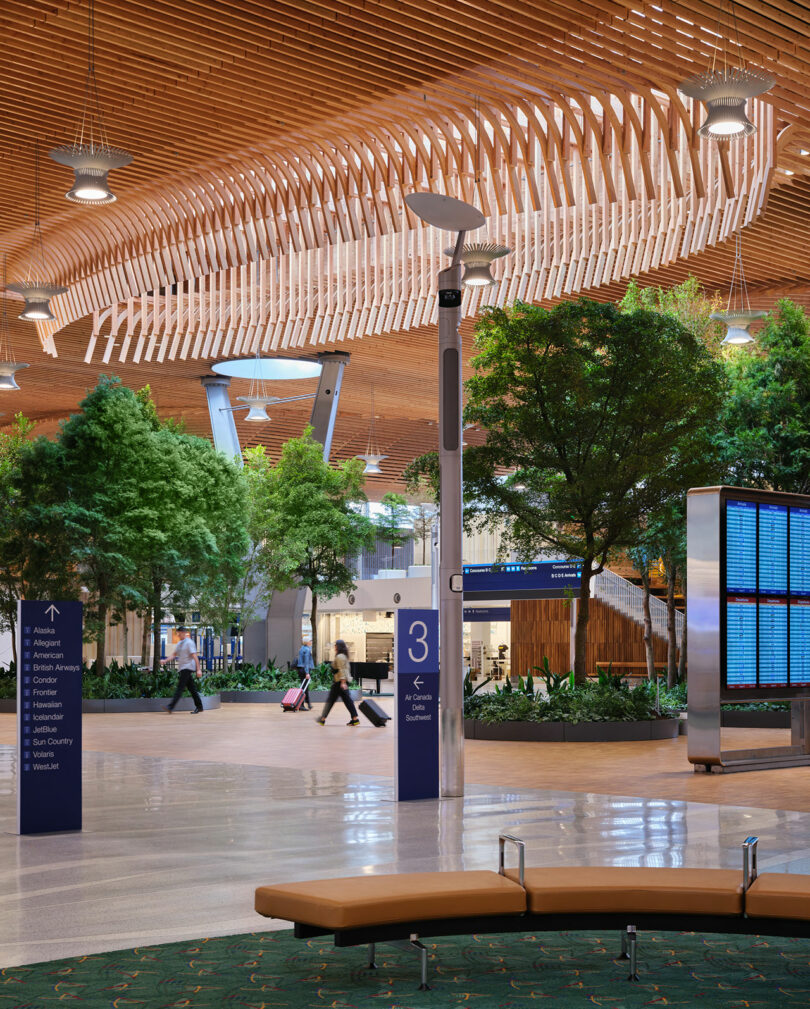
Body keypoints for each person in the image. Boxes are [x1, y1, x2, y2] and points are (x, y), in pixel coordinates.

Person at [315, 639, 359, 726]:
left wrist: (343, 682)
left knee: (331, 700)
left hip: (339, 682)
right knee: (347, 701)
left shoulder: (340, 657)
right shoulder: (343, 656)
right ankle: (355, 719)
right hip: (341, 681)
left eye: (335, 645)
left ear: (338, 646)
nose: (334, 647)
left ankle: (323, 719)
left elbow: (342, 670)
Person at [162, 626, 204, 713]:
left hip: (187, 667)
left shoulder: (189, 643)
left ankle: (170, 707)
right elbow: (174, 654)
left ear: (184, 632)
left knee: (180, 688)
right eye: (178, 633)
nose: (178, 634)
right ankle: (199, 706)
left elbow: (194, 656)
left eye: (179, 633)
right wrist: (165, 660)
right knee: (192, 689)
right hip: (182, 668)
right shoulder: (179, 644)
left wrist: (198, 669)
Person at [297, 639, 314, 710]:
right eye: (310, 641)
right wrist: (307, 673)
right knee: (304, 688)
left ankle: (307, 703)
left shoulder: (301, 649)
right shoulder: (307, 650)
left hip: (300, 669)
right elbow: (306, 662)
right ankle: (301, 704)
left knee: (304, 687)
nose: (311, 642)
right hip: (305, 670)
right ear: (307, 642)